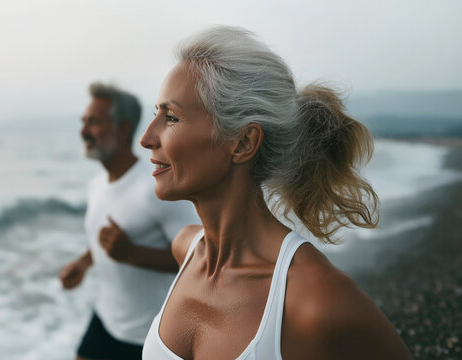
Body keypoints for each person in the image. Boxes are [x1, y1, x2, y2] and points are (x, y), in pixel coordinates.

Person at [140, 26, 412, 359]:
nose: (147, 137)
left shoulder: (316, 299)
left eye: (171, 117)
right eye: (156, 113)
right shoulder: (186, 249)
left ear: (243, 142)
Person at [59, 83, 200, 360]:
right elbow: (103, 239)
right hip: (105, 318)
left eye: (94, 122)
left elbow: (200, 259)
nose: (84, 131)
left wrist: (132, 254)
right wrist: (84, 262)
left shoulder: (157, 187)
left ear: (123, 129)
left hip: (149, 337)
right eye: (84, 121)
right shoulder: (97, 184)